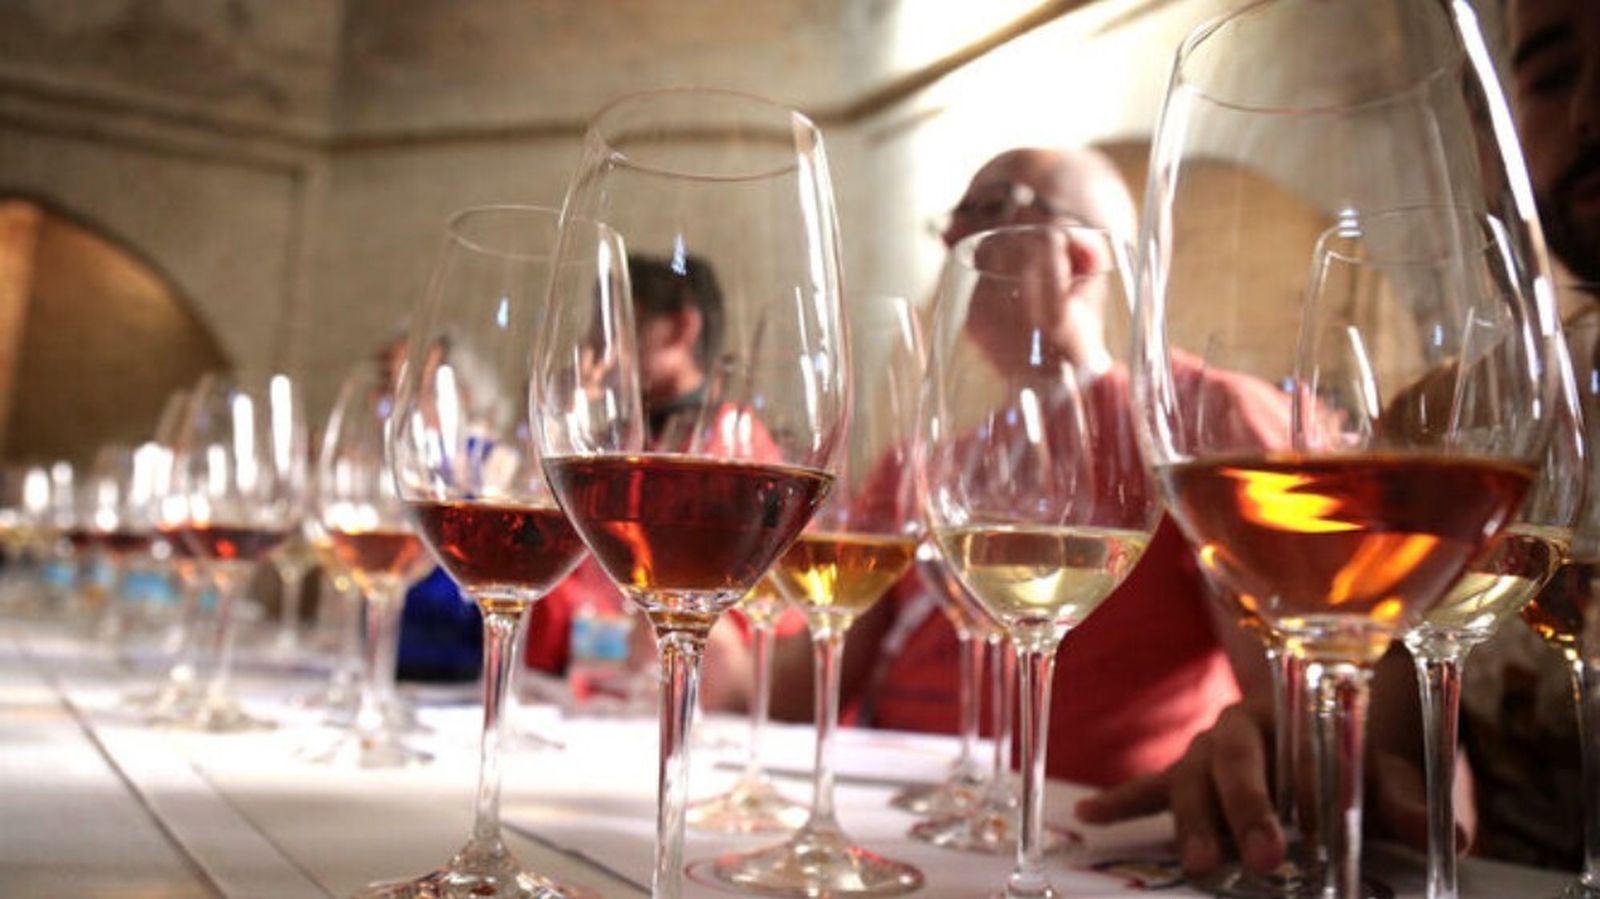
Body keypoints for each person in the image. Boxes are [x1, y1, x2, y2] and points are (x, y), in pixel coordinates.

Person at [1080, 0, 1600, 876]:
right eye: (1549, 75)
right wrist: (1289, 747)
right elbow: (1381, 749)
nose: (1587, 112)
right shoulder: (1453, 432)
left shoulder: (1495, 441)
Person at [755, 147, 1281, 795]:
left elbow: (1286, 691)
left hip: (1086, 824)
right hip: (894, 805)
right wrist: (705, 634)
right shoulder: (920, 461)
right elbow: (813, 677)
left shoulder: (1200, 417)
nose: (953, 237)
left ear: (1080, 257)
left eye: (989, 210)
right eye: (954, 218)